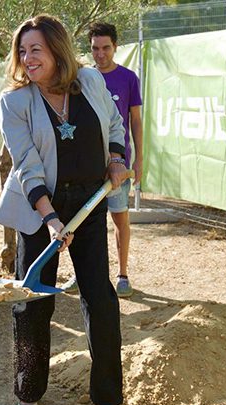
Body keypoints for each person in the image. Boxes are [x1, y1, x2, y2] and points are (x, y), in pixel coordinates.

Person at [0, 15, 129, 405]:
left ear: (57, 50)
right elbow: (27, 168)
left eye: (36, 49)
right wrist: (52, 220)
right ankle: (28, 389)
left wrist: (116, 157)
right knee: (33, 300)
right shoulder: (15, 102)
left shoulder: (89, 81)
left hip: (90, 203)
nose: (27, 57)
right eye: (22, 50)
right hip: (40, 211)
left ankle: (108, 396)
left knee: (100, 299)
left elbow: (113, 124)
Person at [88, 22, 143, 298]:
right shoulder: (82, 78)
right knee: (86, 223)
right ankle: (85, 274)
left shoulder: (128, 78)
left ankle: (122, 274)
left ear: (115, 47)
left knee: (119, 219)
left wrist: (139, 161)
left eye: (105, 48)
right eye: (95, 48)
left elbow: (135, 122)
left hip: (120, 166)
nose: (100, 54)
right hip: (88, 167)